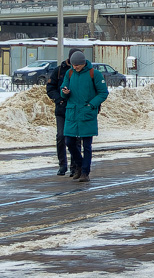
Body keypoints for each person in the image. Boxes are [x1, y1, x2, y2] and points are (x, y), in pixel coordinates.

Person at [60, 50, 107, 183]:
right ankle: (79, 165)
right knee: (69, 141)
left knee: (87, 145)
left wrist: (92, 105)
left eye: (77, 66)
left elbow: (103, 93)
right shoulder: (69, 74)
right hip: (72, 113)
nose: (75, 68)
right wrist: (65, 92)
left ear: (83, 63)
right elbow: (63, 89)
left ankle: (85, 172)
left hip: (87, 113)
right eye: (73, 65)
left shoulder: (94, 74)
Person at [44, 55, 73, 176]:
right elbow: (50, 88)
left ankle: (75, 166)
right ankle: (62, 165)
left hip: (74, 109)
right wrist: (58, 99)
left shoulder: (82, 72)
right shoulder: (59, 70)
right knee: (61, 136)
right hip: (61, 109)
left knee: (74, 138)